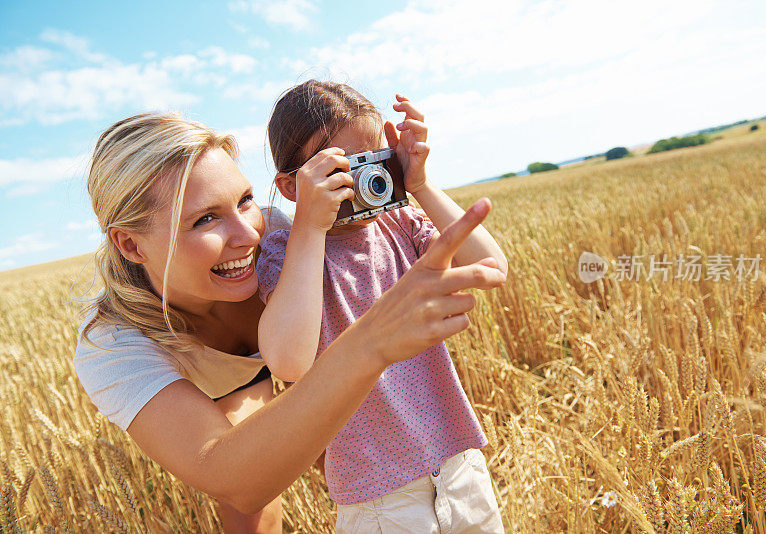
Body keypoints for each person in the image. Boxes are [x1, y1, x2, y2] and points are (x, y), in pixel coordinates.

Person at [73, 111, 506, 533]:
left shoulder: (291, 234)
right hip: (211, 372)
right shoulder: (112, 343)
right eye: (205, 219)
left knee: (323, 442)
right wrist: (372, 340)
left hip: (299, 351)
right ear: (131, 243)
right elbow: (236, 479)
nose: (248, 235)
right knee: (252, 504)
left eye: (245, 200)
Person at [256, 80, 508, 532]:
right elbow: (290, 362)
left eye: (376, 164)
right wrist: (311, 228)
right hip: (377, 497)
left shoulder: (401, 223)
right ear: (291, 187)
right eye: (342, 172)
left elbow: (491, 265)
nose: (367, 182)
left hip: (458, 465)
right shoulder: (286, 252)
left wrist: (421, 185)